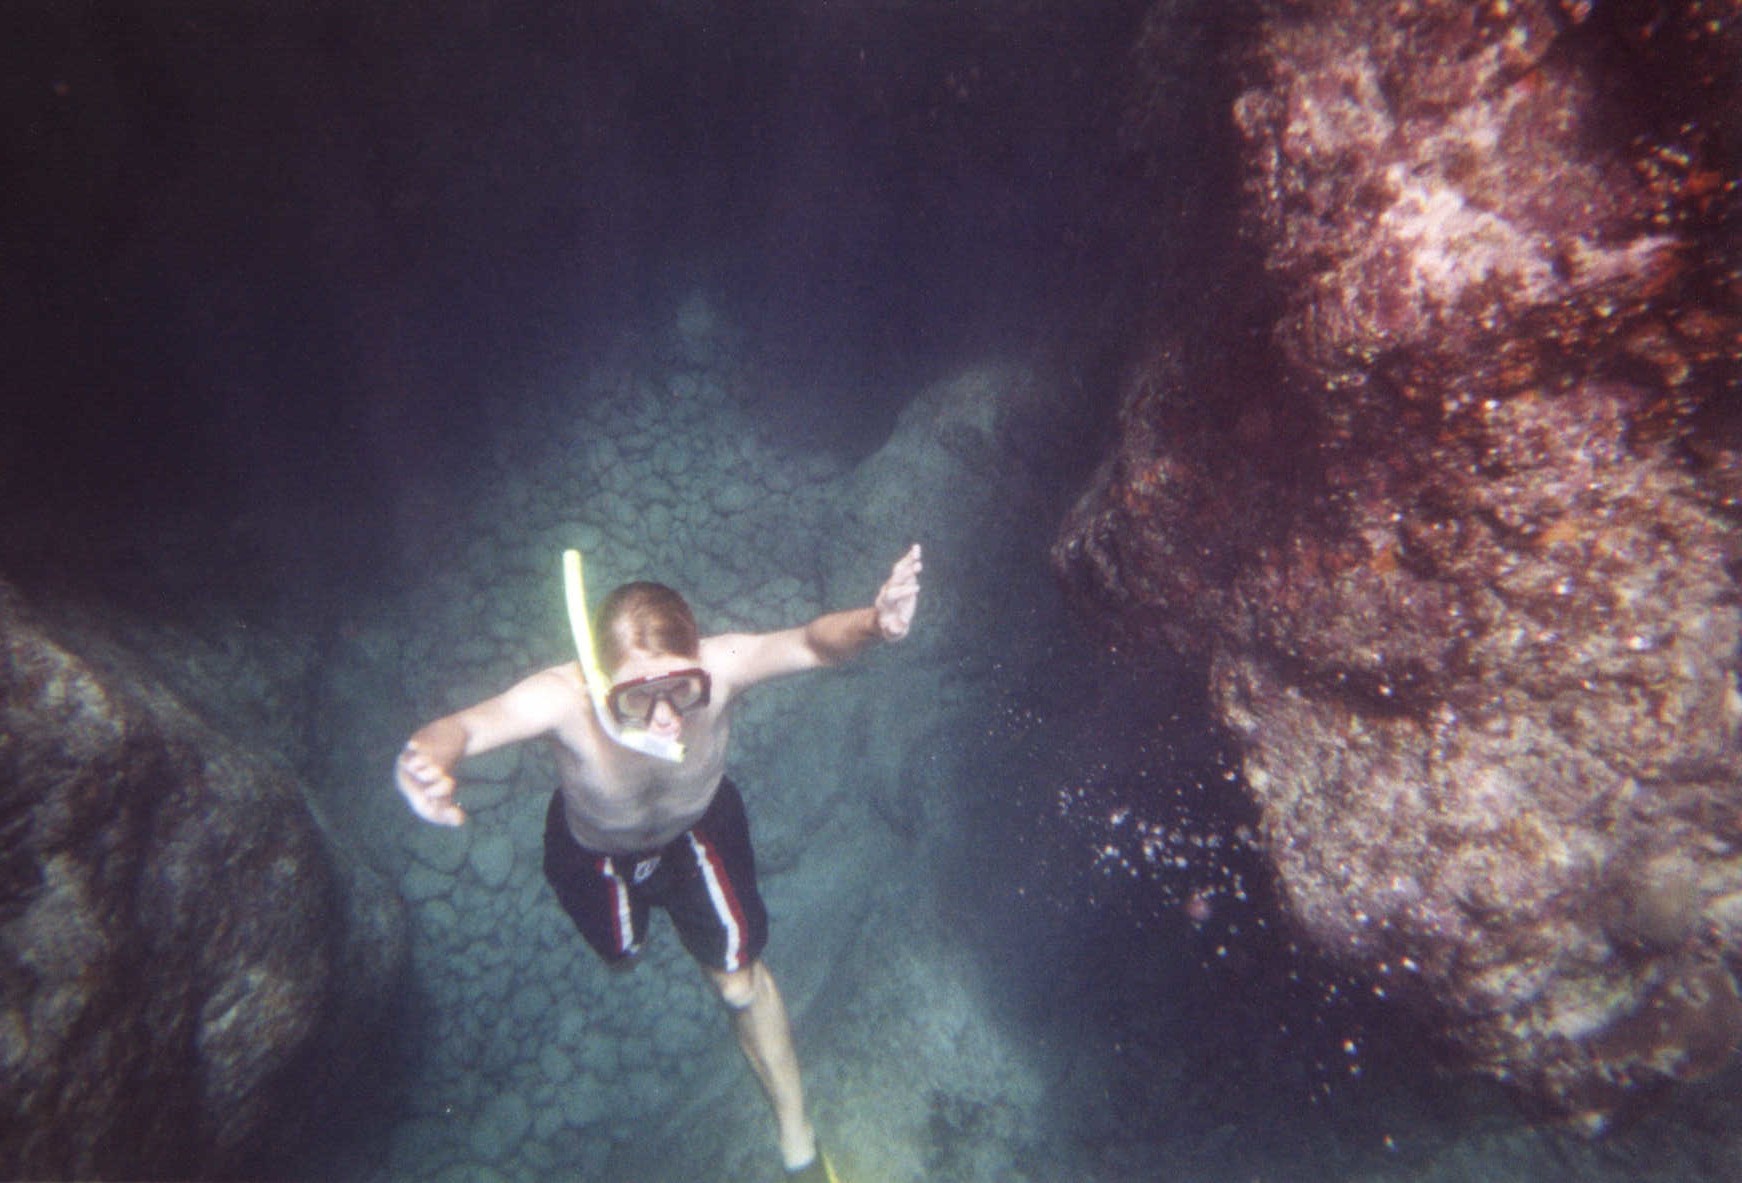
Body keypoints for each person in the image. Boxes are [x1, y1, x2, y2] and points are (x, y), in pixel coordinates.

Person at [394, 543, 923, 1181]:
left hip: (697, 829)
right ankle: (637, 932)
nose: (667, 718)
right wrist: (425, 758)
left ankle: (798, 1142)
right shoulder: (563, 698)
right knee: (624, 956)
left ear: (698, 663)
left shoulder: (722, 666)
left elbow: (812, 643)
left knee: (737, 982)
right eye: (639, 698)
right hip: (594, 853)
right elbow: (469, 727)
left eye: (681, 688)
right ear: (597, 683)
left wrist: (873, 622)